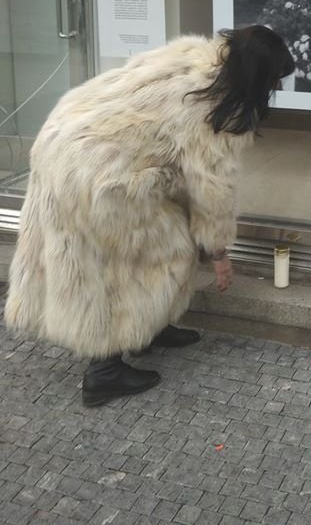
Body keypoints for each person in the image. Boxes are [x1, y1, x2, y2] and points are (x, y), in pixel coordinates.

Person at [4, 26, 295, 407]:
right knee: (130, 259)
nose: (275, 87)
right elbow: (212, 191)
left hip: (64, 139)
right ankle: (103, 372)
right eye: (274, 79)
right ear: (258, 77)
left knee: (160, 238)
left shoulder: (191, 55)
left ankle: (149, 328)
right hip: (103, 170)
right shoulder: (217, 108)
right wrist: (219, 254)